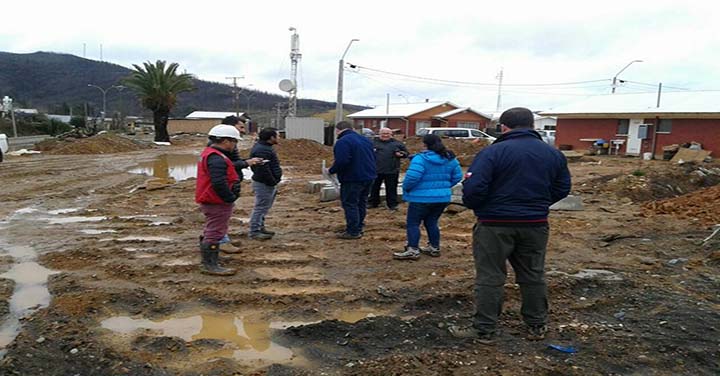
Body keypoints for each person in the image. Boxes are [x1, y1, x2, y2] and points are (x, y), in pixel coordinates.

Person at [450, 107, 571, 343]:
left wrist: (479, 207)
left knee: (490, 277)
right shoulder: (552, 154)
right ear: (532, 125)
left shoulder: (493, 152)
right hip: (535, 224)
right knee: (532, 275)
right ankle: (536, 325)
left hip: (494, 224)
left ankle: (485, 329)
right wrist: (538, 204)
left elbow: (474, 188)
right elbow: (562, 188)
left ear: (503, 127)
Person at [393, 135, 462, 260]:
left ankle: (413, 249)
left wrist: (407, 188)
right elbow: (457, 176)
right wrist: (444, 187)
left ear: (425, 145)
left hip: (420, 198)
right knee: (432, 222)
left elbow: (412, 177)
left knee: (413, 223)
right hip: (442, 198)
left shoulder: (420, 159)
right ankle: (434, 247)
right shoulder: (450, 158)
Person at [195, 124, 248, 276]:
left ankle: (210, 260)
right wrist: (229, 197)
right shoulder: (216, 158)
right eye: (234, 142)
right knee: (215, 231)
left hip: (212, 198)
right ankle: (209, 265)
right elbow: (218, 182)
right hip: (216, 200)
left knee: (212, 229)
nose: (235, 145)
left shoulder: (211, 153)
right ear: (226, 141)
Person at [213, 116, 261, 252]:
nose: (243, 130)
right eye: (240, 127)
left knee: (221, 216)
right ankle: (219, 243)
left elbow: (232, 162)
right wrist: (246, 163)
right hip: (224, 188)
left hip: (230, 185)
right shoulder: (219, 150)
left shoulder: (228, 147)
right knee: (219, 216)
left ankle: (220, 239)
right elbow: (225, 166)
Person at [327, 121, 376, 239]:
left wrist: (331, 170)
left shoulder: (343, 142)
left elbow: (342, 160)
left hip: (352, 178)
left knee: (350, 204)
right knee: (361, 202)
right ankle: (359, 227)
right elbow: (373, 157)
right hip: (368, 176)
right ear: (352, 128)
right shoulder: (365, 140)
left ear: (338, 130)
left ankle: (353, 231)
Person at [248, 128, 282, 240]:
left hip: (266, 182)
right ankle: (255, 231)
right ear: (271, 138)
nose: (279, 137)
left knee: (263, 207)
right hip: (264, 183)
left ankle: (260, 227)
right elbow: (263, 170)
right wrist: (272, 181)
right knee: (261, 207)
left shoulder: (265, 148)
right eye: (277, 135)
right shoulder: (262, 150)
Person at [368, 128, 409, 211]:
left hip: (392, 170)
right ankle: (373, 203)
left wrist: (401, 154)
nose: (385, 135)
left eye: (387, 134)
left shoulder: (397, 144)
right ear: (379, 134)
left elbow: (406, 153)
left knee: (391, 188)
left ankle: (392, 204)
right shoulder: (372, 143)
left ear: (391, 134)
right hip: (375, 170)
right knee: (374, 188)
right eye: (383, 133)